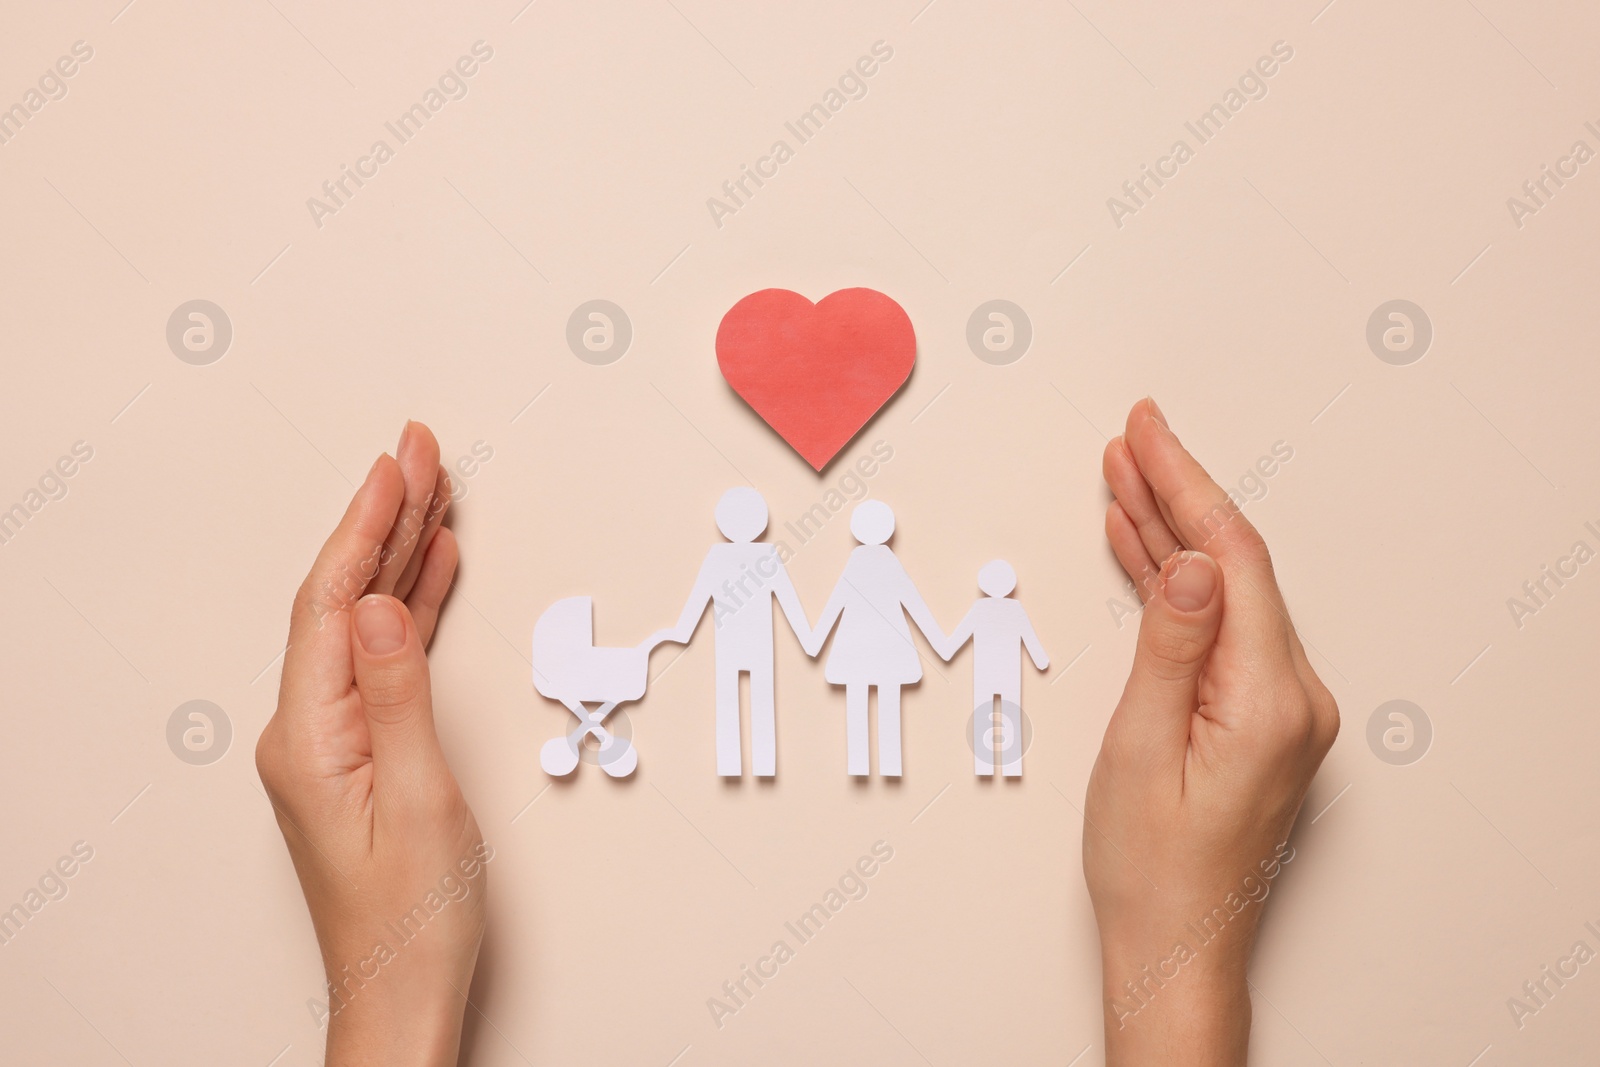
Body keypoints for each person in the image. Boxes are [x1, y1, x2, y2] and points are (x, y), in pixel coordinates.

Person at [256, 400, 1337, 1065]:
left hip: (844, 657)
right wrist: (1177, 964)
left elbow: (840, 610)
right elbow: (752, 607)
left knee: (799, 712)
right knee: (759, 711)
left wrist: (390, 1002)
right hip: (806, 658)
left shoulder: (781, 561)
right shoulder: (763, 559)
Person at [651, 487, 812, 777]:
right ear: (761, 522)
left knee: (729, 700)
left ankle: (732, 764)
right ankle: (762, 765)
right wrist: (808, 639)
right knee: (760, 700)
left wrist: (681, 631)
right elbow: (788, 601)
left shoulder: (721, 556)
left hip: (731, 644)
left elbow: (699, 599)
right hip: (757, 643)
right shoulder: (766, 555)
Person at [803, 500, 948, 777]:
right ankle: (887, 763)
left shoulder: (859, 562)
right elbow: (913, 603)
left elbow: (838, 602)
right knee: (888, 704)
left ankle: (862, 764)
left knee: (858, 703)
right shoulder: (885, 562)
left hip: (856, 648)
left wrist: (815, 639)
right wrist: (941, 644)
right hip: (888, 649)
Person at [940, 559, 1049, 777]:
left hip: (984, 674)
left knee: (983, 715)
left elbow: (957, 640)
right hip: (1009, 674)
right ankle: (1011, 767)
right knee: (1010, 714)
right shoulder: (1014, 609)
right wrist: (1040, 659)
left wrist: (944, 647)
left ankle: (985, 767)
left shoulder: (980, 609)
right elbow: (1030, 639)